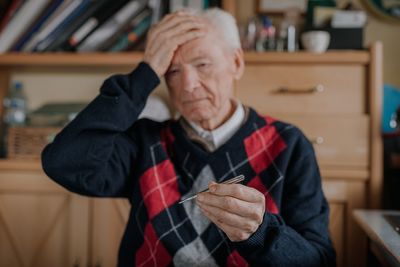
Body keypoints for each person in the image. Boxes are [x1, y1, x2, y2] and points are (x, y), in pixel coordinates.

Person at [42, 8, 336, 267]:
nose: (188, 85)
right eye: (171, 71)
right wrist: (144, 74)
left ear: (236, 63)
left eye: (203, 65)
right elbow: (63, 162)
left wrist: (260, 234)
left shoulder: (288, 144)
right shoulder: (145, 142)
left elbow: (319, 260)